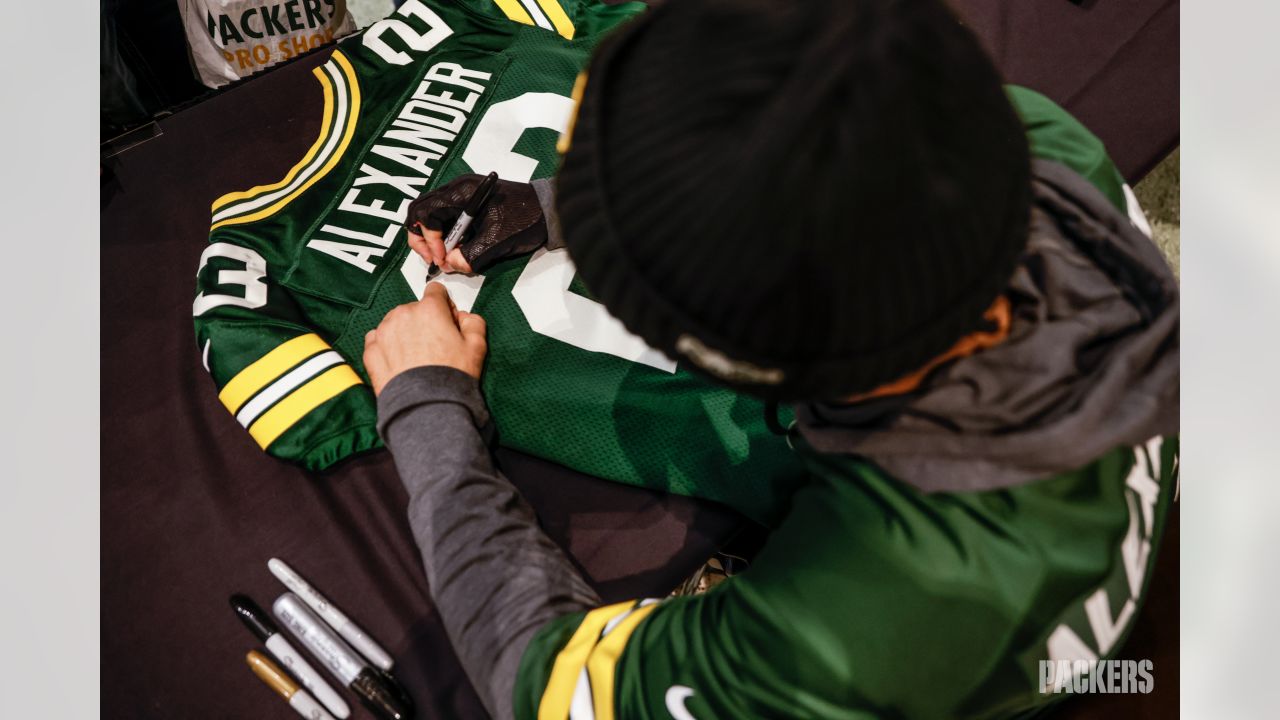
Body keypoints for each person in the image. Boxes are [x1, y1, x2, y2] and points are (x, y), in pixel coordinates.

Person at [361, 0, 1180, 717]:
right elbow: (821, 134)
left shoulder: (854, 622)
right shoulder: (1037, 142)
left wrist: (427, 410)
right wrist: (560, 205)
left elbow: (546, 687)